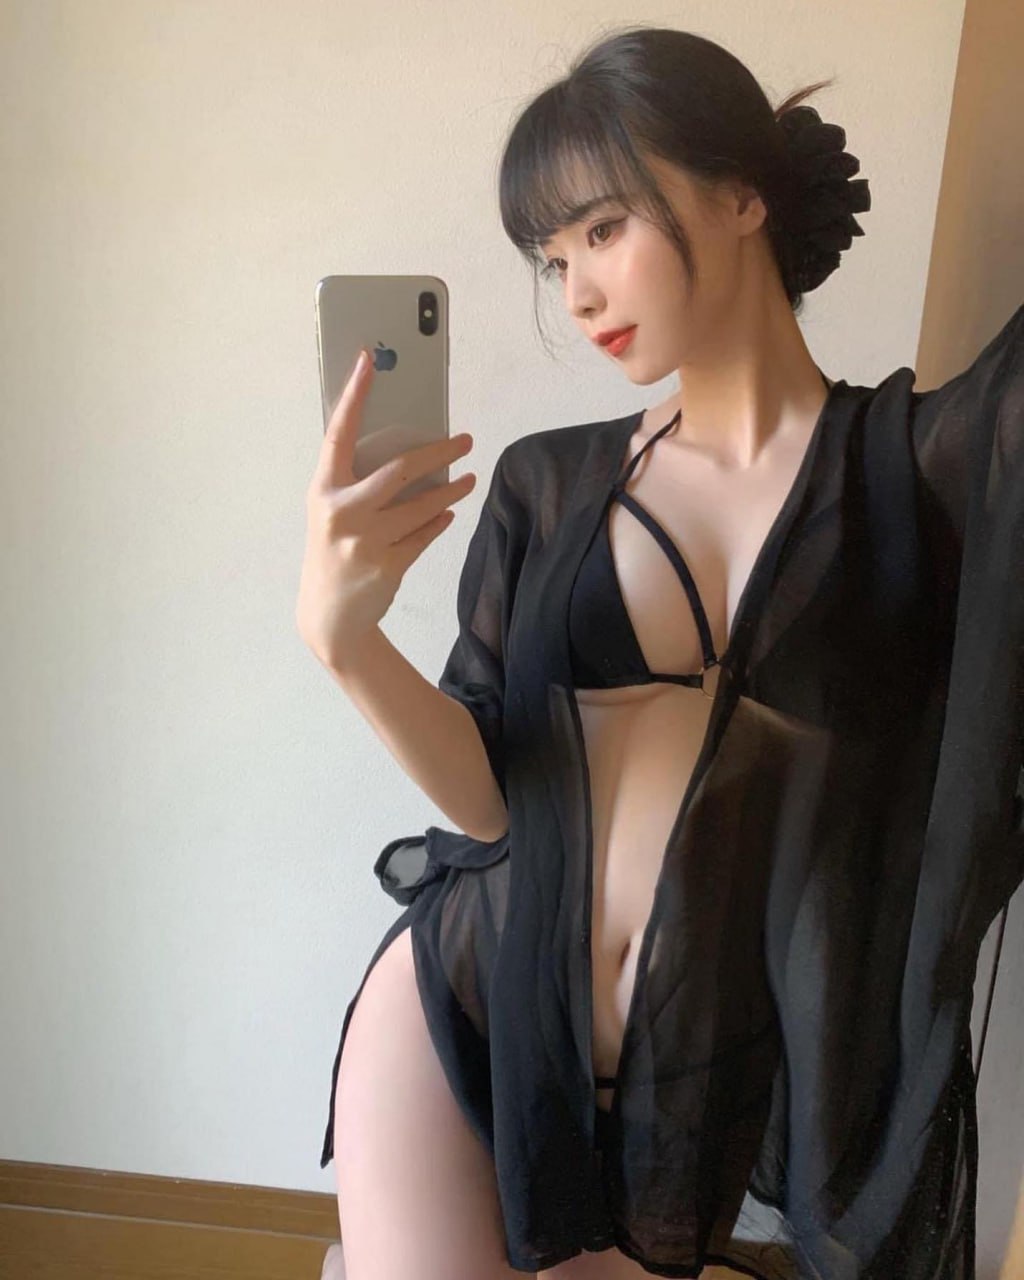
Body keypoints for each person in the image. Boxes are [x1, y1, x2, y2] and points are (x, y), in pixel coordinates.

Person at [297, 25, 1024, 1280]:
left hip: (691, 1078)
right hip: (470, 1002)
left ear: (743, 196)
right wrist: (344, 639)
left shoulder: (917, 467)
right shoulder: (549, 483)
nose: (576, 293)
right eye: (553, 257)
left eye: (602, 228)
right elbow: (488, 800)